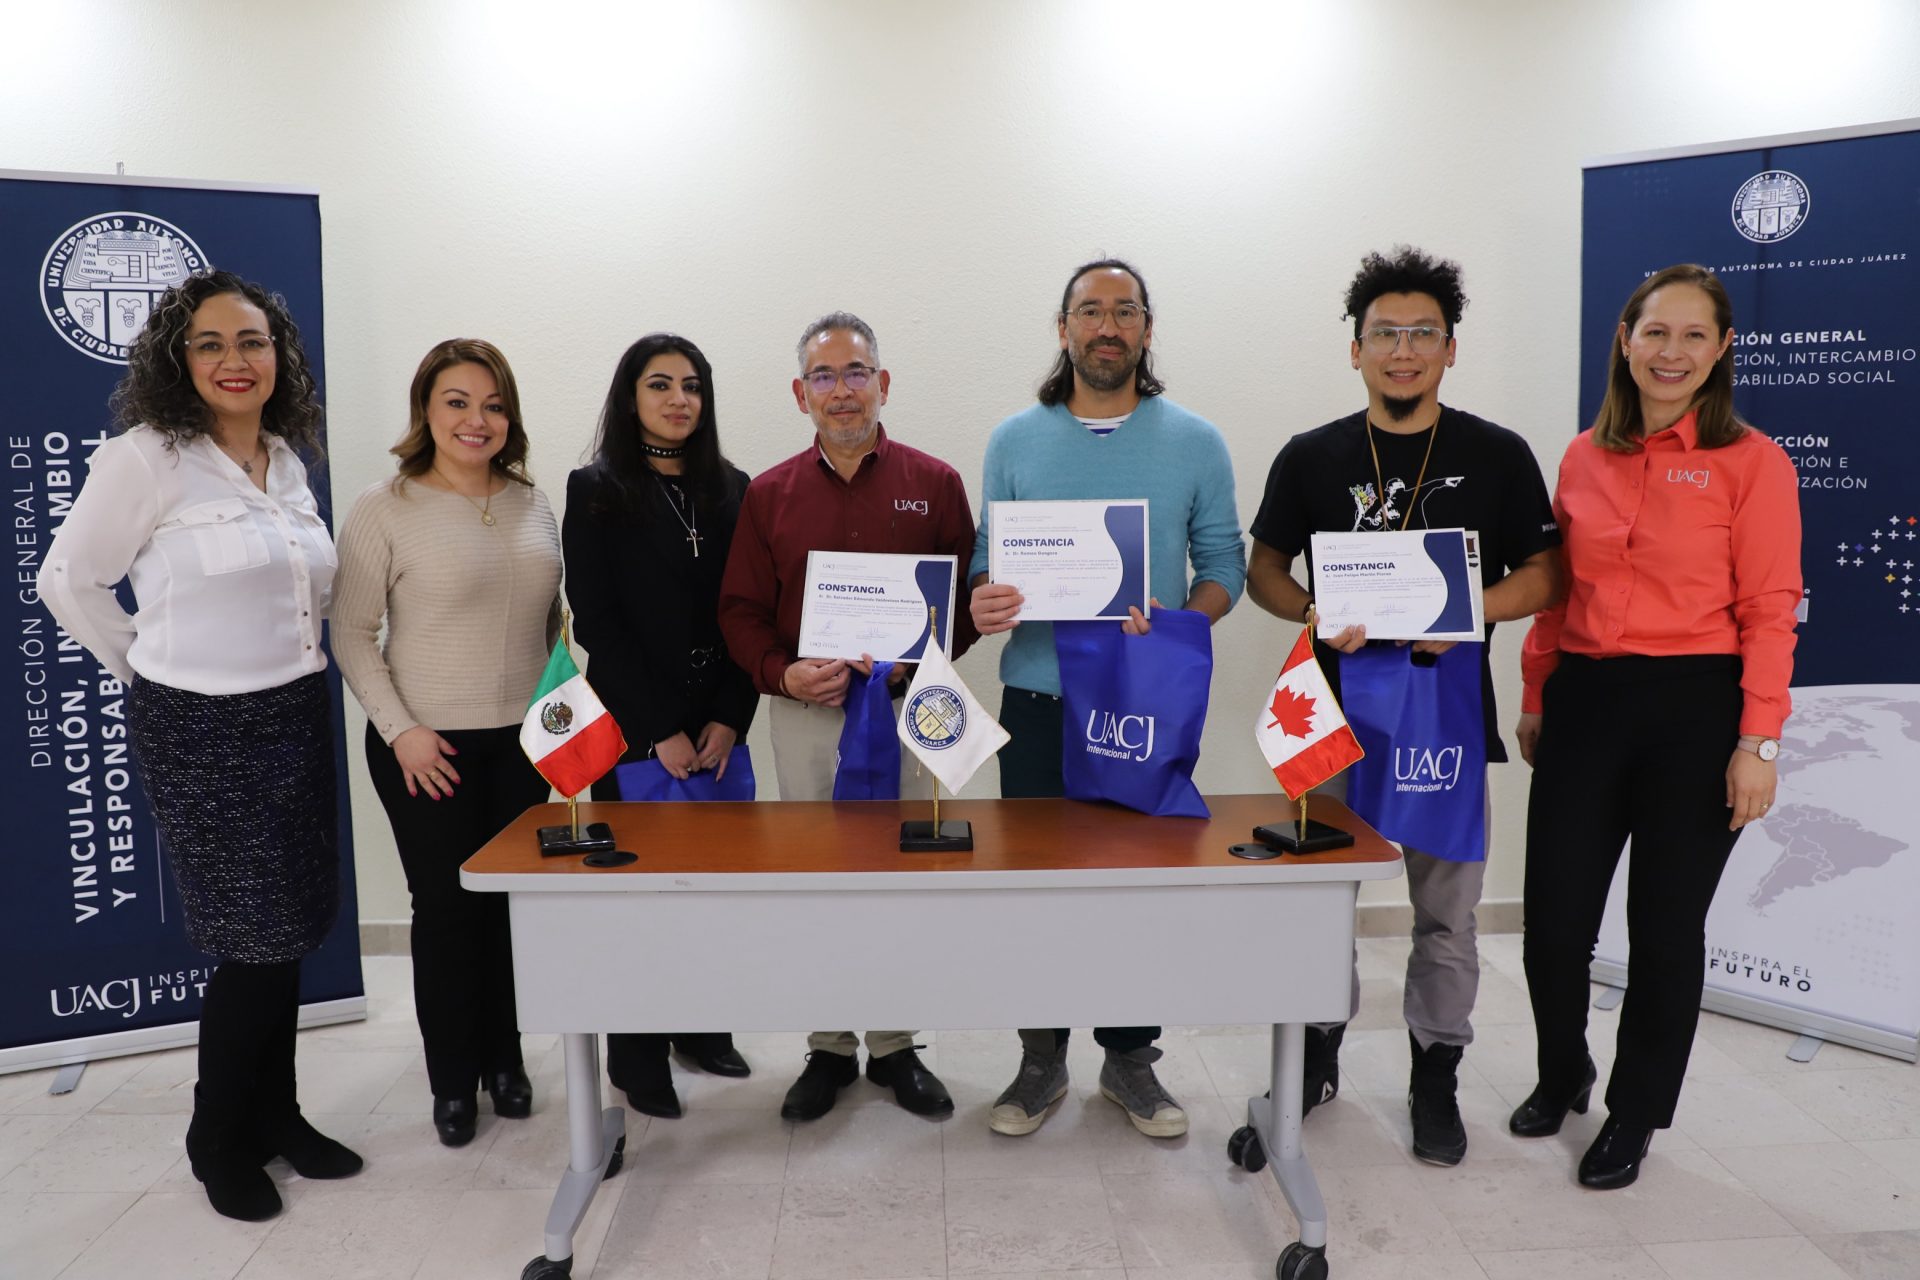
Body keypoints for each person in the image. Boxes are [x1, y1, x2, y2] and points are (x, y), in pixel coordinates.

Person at [38, 271, 361, 1221]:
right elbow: (68, 580)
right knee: (250, 942)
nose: (235, 360)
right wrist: (149, 672)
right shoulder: (145, 458)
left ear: (278, 355)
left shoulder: (286, 461)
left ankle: (279, 1116)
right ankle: (217, 1137)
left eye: (252, 341)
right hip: (203, 728)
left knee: (290, 930)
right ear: (178, 360)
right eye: (210, 344)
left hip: (294, 711)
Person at [1245, 246, 1563, 1165]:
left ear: (1450, 349)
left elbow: (1545, 574)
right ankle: (1313, 1064)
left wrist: (1466, 614)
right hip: (1332, 720)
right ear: (1356, 349)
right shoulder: (1311, 456)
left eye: (1423, 333)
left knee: (1447, 916)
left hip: (1446, 721)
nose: (1403, 350)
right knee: (1320, 905)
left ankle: (1436, 1076)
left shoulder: (1497, 454)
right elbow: (1266, 569)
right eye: (1385, 333)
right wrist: (1312, 612)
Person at [1512, 263, 1800, 1189]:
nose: (1671, 353)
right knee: (1554, 923)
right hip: (1587, 701)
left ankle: (1635, 1112)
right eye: (1655, 332)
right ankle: (1563, 1072)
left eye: (1693, 335)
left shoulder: (1754, 463)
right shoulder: (1581, 456)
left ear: (1721, 350)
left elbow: (1770, 610)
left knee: (1665, 931)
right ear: (1625, 341)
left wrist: (1757, 743)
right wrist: (1536, 692)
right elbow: (1557, 591)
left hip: (1697, 710)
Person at [968, 258, 1246, 1140]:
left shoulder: (1195, 441)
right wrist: (984, 599)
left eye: (1125, 312)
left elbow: (1225, 569)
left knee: (1136, 888)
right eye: (1090, 311)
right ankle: (1040, 1058)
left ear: (1147, 329)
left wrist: (1177, 623)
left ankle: (1130, 1059)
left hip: (1140, 702)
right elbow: (987, 561)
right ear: (1064, 329)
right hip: (1037, 699)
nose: (1108, 326)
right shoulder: (1015, 440)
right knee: (1036, 890)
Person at [718, 311, 976, 1123]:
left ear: (883, 383)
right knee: (815, 880)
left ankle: (895, 1045)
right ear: (801, 395)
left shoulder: (937, 483)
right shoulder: (768, 495)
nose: (841, 391)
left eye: (856, 372)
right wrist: (784, 673)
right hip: (810, 716)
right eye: (823, 377)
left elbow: (962, 609)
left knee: (905, 876)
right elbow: (740, 611)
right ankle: (829, 1045)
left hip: (909, 714)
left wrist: (920, 658)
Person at [332, 339, 561, 1148]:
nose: (477, 419)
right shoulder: (385, 506)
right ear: (425, 411)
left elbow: (551, 625)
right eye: (457, 402)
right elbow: (351, 633)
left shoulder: (533, 502)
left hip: (523, 747)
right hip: (427, 749)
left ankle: (506, 1060)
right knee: (447, 913)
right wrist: (403, 733)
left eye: (493, 405)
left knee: (507, 911)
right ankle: (453, 1081)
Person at [563, 333, 759, 1120]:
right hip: (638, 729)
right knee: (638, 900)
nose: (680, 399)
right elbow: (597, 624)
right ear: (630, 396)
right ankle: (637, 1056)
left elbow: (752, 611)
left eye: (692, 385)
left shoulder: (735, 488)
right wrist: (658, 729)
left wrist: (730, 716)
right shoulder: (595, 489)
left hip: (718, 725)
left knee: (712, 894)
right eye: (660, 384)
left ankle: (703, 1029)